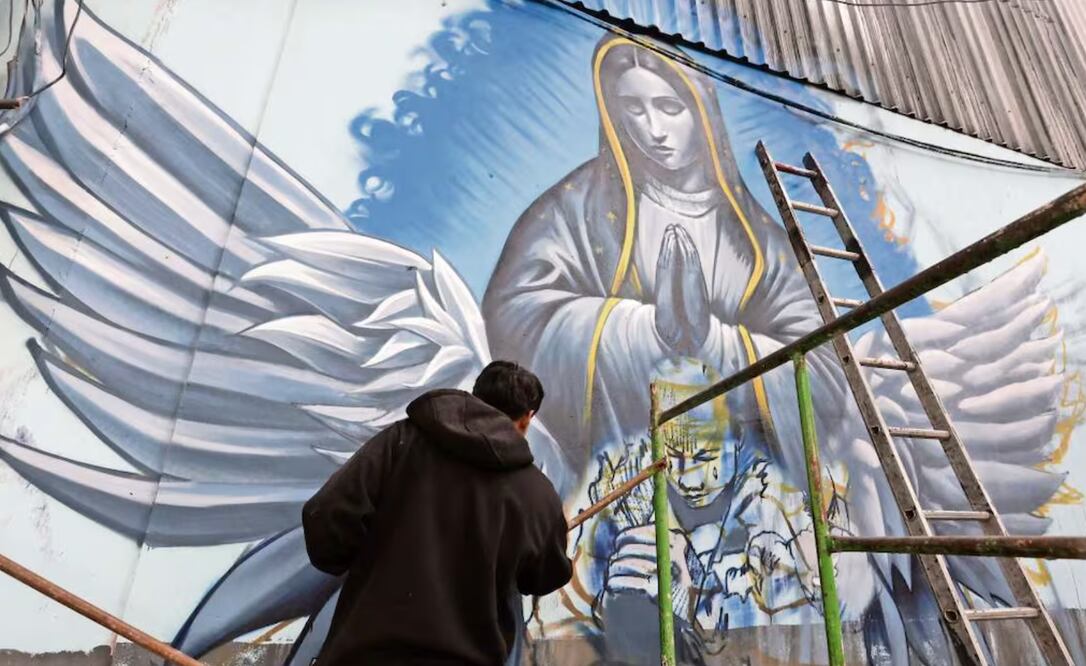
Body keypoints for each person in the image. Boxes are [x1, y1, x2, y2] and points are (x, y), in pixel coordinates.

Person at [301, 361, 573, 665]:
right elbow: (545, 576)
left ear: (475, 397)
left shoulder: (400, 443)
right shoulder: (535, 492)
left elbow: (325, 513)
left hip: (365, 653)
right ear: (527, 418)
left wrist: (354, 560)